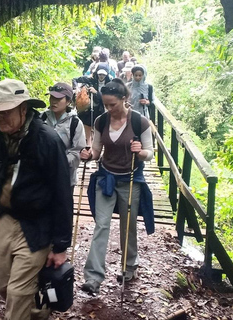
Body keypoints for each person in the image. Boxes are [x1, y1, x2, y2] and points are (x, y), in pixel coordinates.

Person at [0, 79, 73, 320]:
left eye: (6, 112)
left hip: (37, 224)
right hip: (5, 218)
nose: (0, 118)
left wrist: (60, 246)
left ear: (23, 109)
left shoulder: (47, 140)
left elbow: (62, 194)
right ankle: (38, 311)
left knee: (17, 293)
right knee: (3, 286)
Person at [79, 79, 155, 294]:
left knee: (128, 227)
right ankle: (93, 278)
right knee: (101, 225)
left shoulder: (140, 122)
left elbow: (149, 154)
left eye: (113, 104)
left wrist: (140, 152)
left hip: (131, 180)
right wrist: (88, 155)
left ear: (125, 99)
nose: (109, 109)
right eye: (106, 105)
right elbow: (96, 150)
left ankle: (129, 267)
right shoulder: (101, 122)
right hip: (106, 179)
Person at [41, 83, 86, 194]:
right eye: (52, 97)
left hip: (65, 178)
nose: (53, 101)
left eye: (58, 98)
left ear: (68, 101)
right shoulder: (41, 118)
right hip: (41, 177)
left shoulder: (75, 123)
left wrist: (58, 162)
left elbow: (77, 153)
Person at [73, 63, 112, 146]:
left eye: (103, 75)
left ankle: (96, 145)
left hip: (101, 109)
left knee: (99, 127)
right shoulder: (90, 79)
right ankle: (88, 144)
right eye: (100, 74)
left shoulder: (110, 83)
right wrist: (76, 88)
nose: (101, 76)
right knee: (87, 124)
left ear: (107, 74)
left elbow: (107, 99)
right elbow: (75, 79)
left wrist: (96, 93)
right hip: (88, 108)